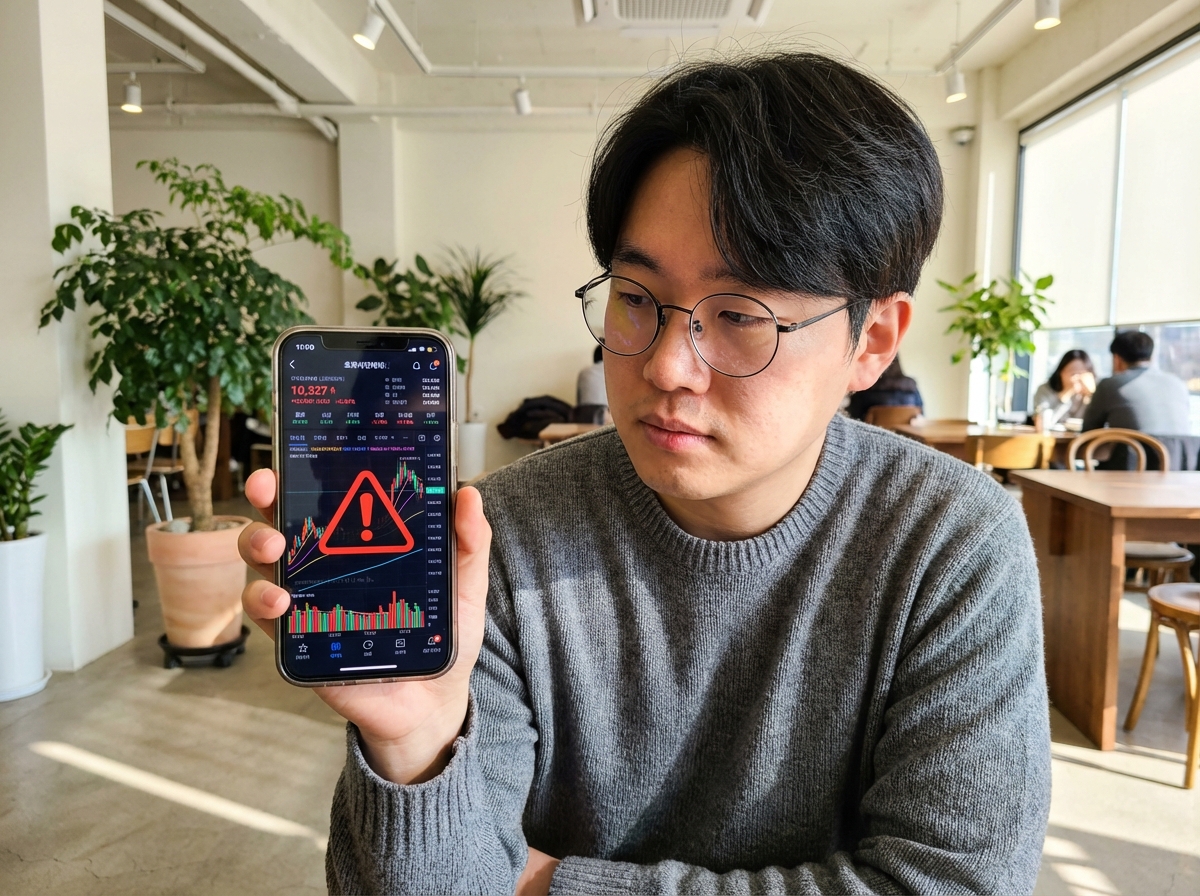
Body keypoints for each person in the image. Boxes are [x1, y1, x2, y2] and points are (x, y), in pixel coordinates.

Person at [239, 53, 1050, 895]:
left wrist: (551, 883)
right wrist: (412, 749)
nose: (666, 364)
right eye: (634, 296)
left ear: (872, 343)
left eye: (739, 316)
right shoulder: (505, 536)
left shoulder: (952, 542)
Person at [1083, 331, 1190, 435]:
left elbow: (1089, 431)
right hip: (1181, 452)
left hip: (1138, 452)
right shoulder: (1177, 383)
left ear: (1116, 359)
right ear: (1151, 357)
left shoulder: (1110, 384)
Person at [846, 356, 923, 420]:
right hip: (907, 436)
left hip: (871, 436)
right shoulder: (911, 385)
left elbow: (853, 417)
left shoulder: (864, 387)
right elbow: (921, 414)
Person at [1032, 349, 1095, 427]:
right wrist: (1064, 398)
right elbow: (1043, 424)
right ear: (1060, 372)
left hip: (1085, 438)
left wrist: (1093, 394)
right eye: (1073, 373)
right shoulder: (1045, 390)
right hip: (1053, 438)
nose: (1076, 378)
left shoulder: (1094, 392)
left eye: (1081, 373)